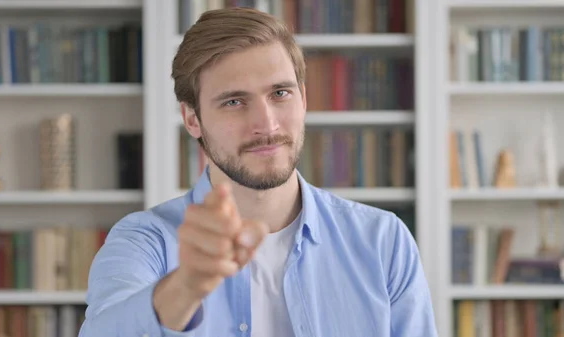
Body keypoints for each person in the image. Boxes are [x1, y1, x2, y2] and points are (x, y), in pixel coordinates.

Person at [78, 7, 437, 337]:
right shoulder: (143, 241)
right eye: (234, 101)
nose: (266, 123)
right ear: (192, 119)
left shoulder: (383, 241)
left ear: (304, 100)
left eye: (280, 93)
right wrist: (185, 287)